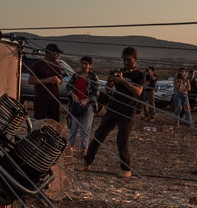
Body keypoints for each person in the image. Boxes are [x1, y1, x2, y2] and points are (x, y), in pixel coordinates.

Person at [79, 47, 146, 178]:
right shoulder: (118, 72)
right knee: (99, 135)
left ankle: (125, 169)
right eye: (124, 59)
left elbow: (138, 91)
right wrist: (110, 82)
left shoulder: (139, 75)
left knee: (122, 139)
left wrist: (123, 81)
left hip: (128, 110)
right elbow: (108, 89)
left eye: (129, 60)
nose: (126, 62)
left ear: (135, 59)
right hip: (114, 107)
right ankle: (87, 162)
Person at [65, 57, 99, 153]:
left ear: (90, 65)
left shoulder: (93, 77)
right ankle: (70, 147)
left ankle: (84, 149)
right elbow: (68, 87)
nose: (84, 65)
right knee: (73, 127)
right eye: (82, 63)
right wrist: (72, 94)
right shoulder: (76, 75)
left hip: (88, 105)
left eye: (86, 63)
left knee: (85, 128)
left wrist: (86, 100)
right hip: (75, 104)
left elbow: (96, 93)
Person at [28, 44, 65, 122]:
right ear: (48, 53)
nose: (57, 55)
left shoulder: (56, 64)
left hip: (54, 98)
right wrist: (47, 80)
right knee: (39, 121)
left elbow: (61, 80)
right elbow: (30, 81)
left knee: (54, 122)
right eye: (55, 53)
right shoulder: (38, 64)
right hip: (41, 98)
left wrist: (58, 80)